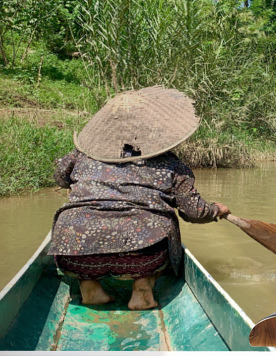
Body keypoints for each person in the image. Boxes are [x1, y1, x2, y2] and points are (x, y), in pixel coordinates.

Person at [47, 86, 229, 310]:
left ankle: (90, 287)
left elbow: (60, 177)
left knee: (78, 238)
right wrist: (215, 210)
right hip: (143, 254)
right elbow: (193, 211)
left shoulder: (81, 154)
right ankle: (142, 287)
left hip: (75, 251)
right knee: (154, 240)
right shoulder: (171, 163)